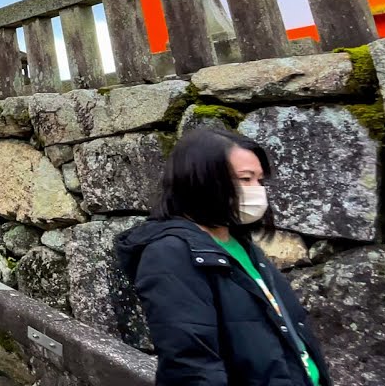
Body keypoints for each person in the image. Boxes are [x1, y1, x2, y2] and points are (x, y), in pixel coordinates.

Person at [116, 128, 331, 386]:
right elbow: (192, 367)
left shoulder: (240, 246)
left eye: (260, 180)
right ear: (200, 180)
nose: (258, 190)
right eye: (245, 179)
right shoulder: (169, 255)